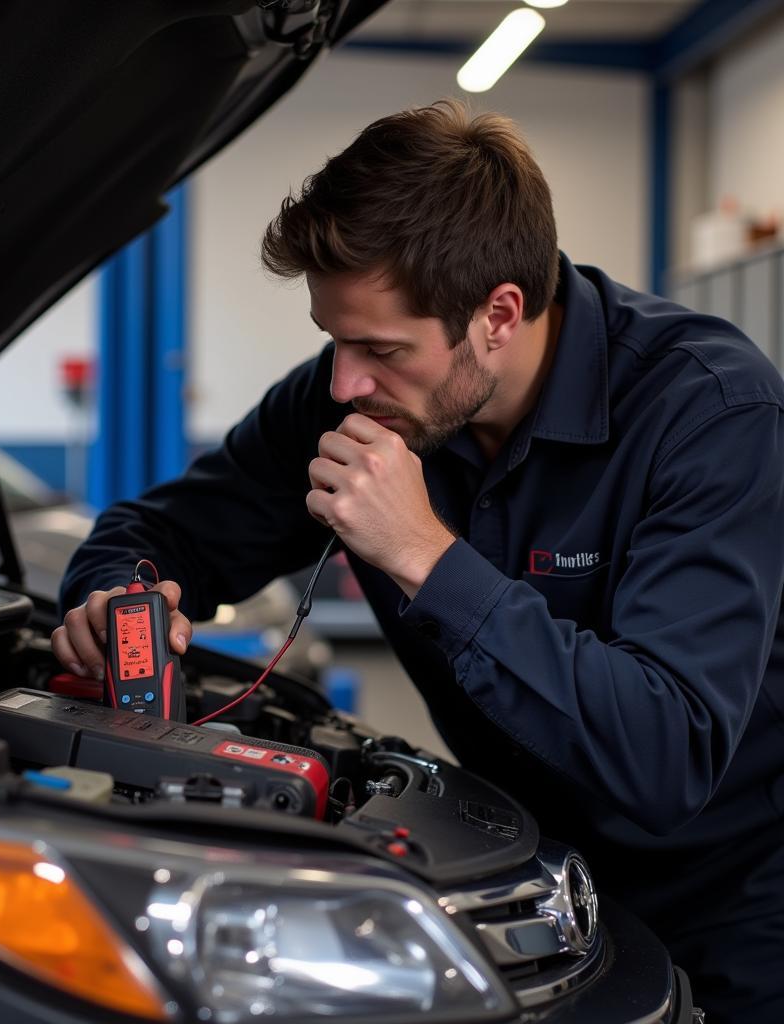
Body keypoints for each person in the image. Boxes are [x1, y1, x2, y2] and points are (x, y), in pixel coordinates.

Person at [53, 100, 784, 1022]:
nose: (346, 383)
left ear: (499, 315)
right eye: (334, 338)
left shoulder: (711, 415)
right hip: (525, 877)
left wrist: (426, 557)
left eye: (381, 348)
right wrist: (115, 598)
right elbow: (159, 532)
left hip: (733, 907)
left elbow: (665, 755)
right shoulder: (355, 398)